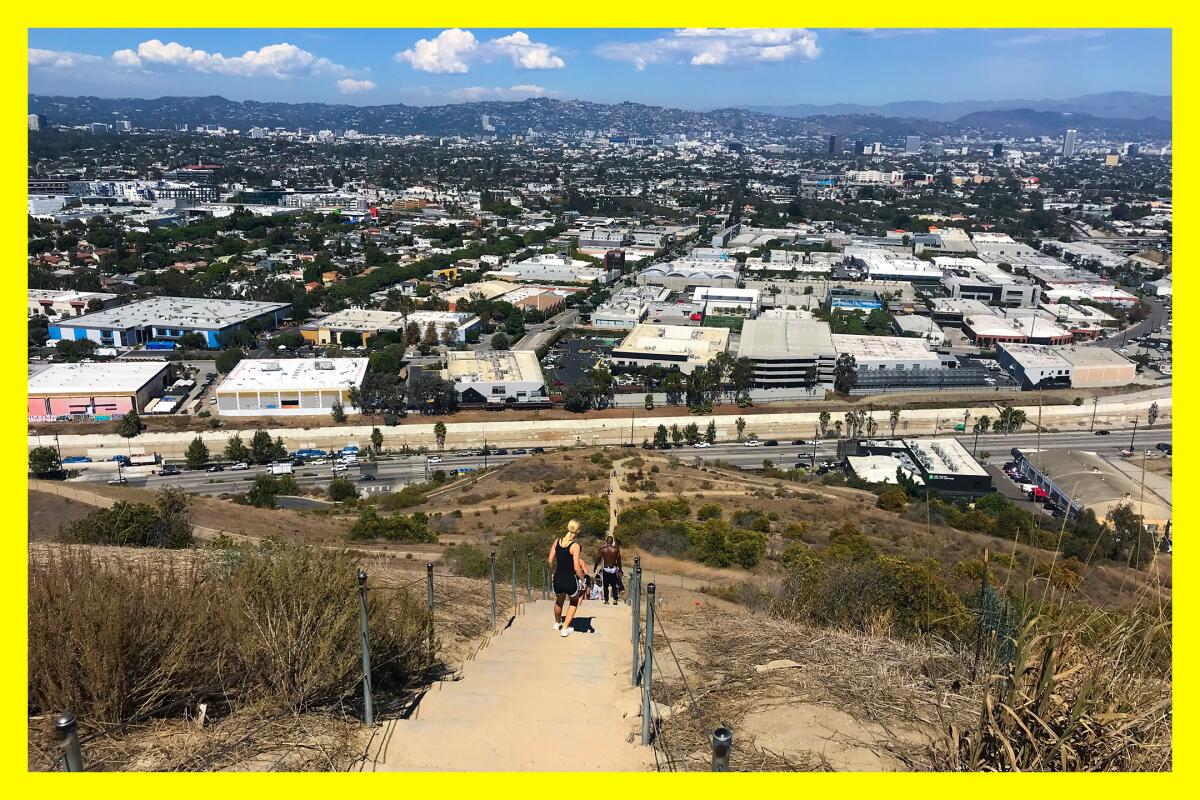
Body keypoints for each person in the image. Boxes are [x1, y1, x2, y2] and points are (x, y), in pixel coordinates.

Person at [547, 518, 588, 637]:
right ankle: (565, 628)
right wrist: (583, 580)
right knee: (574, 602)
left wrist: (554, 571)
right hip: (570, 579)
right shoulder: (575, 546)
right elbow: (576, 567)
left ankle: (557, 623)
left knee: (559, 601)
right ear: (578, 531)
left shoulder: (557, 542)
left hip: (558, 578)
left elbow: (550, 561)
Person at [594, 535, 623, 605]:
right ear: (612, 542)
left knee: (605, 585)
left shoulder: (602, 549)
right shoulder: (616, 549)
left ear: (606, 541)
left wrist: (595, 567)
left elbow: (598, 559)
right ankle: (615, 599)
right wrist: (620, 569)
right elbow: (619, 561)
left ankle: (606, 600)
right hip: (613, 569)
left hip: (606, 569)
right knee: (614, 585)